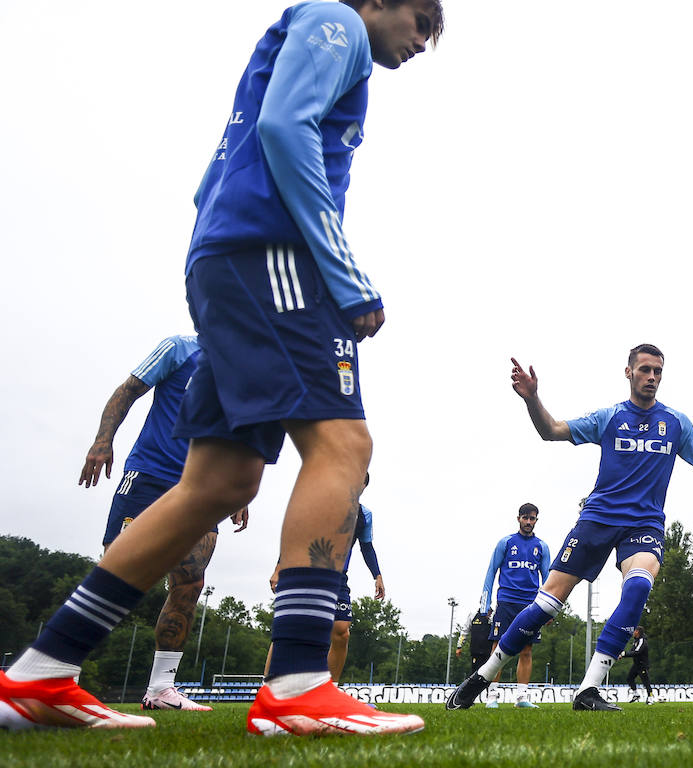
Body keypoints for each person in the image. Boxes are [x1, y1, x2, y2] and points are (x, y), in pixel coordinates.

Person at [0, 0, 445, 735]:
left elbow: (213, 182)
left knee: (217, 482)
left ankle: (41, 673)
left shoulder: (312, 35)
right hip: (273, 260)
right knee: (343, 447)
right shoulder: (335, 22)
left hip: (225, 262)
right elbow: (282, 128)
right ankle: (299, 681)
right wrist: (344, 273)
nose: (424, 42)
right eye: (422, 20)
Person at [447, 344, 693, 712]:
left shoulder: (676, 424)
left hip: (645, 525)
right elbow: (552, 430)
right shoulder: (609, 418)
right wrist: (532, 399)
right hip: (597, 519)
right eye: (645, 370)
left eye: (657, 371)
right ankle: (481, 678)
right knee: (546, 603)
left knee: (638, 587)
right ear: (629, 372)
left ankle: (588, 690)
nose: (652, 377)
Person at [78, 335, 249, 712]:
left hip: (203, 489)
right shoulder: (180, 348)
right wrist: (102, 441)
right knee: (117, 572)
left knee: (191, 580)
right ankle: (56, 668)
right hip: (150, 476)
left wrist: (236, 489)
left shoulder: (246, 370)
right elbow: (127, 391)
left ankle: (160, 689)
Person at [266, 474, 384, 683]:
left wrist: (377, 575)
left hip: (337, 577)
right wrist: (278, 568)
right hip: (306, 569)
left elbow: (367, 547)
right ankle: (268, 686)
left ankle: (330, 687)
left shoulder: (364, 515)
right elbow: (297, 534)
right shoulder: (321, 502)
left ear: (364, 486)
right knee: (291, 627)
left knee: (342, 632)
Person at [479, 503, 551, 708]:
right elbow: (491, 572)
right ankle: (492, 697)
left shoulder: (542, 547)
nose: (529, 522)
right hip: (506, 602)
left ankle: (522, 698)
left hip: (531, 605)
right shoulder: (506, 542)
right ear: (518, 518)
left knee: (526, 650)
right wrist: (485, 604)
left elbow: (547, 578)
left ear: (537, 520)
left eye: (533, 519)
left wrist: (549, 608)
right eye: (525, 518)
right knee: (497, 648)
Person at [619, 627, 653, 704]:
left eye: (634, 631)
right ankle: (636, 694)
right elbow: (632, 651)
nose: (633, 632)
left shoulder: (642, 641)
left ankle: (650, 697)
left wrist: (624, 654)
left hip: (642, 665)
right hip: (636, 664)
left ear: (638, 632)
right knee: (629, 678)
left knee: (646, 682)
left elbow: (637, 652)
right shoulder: (635, 641)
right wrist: (622, 655)